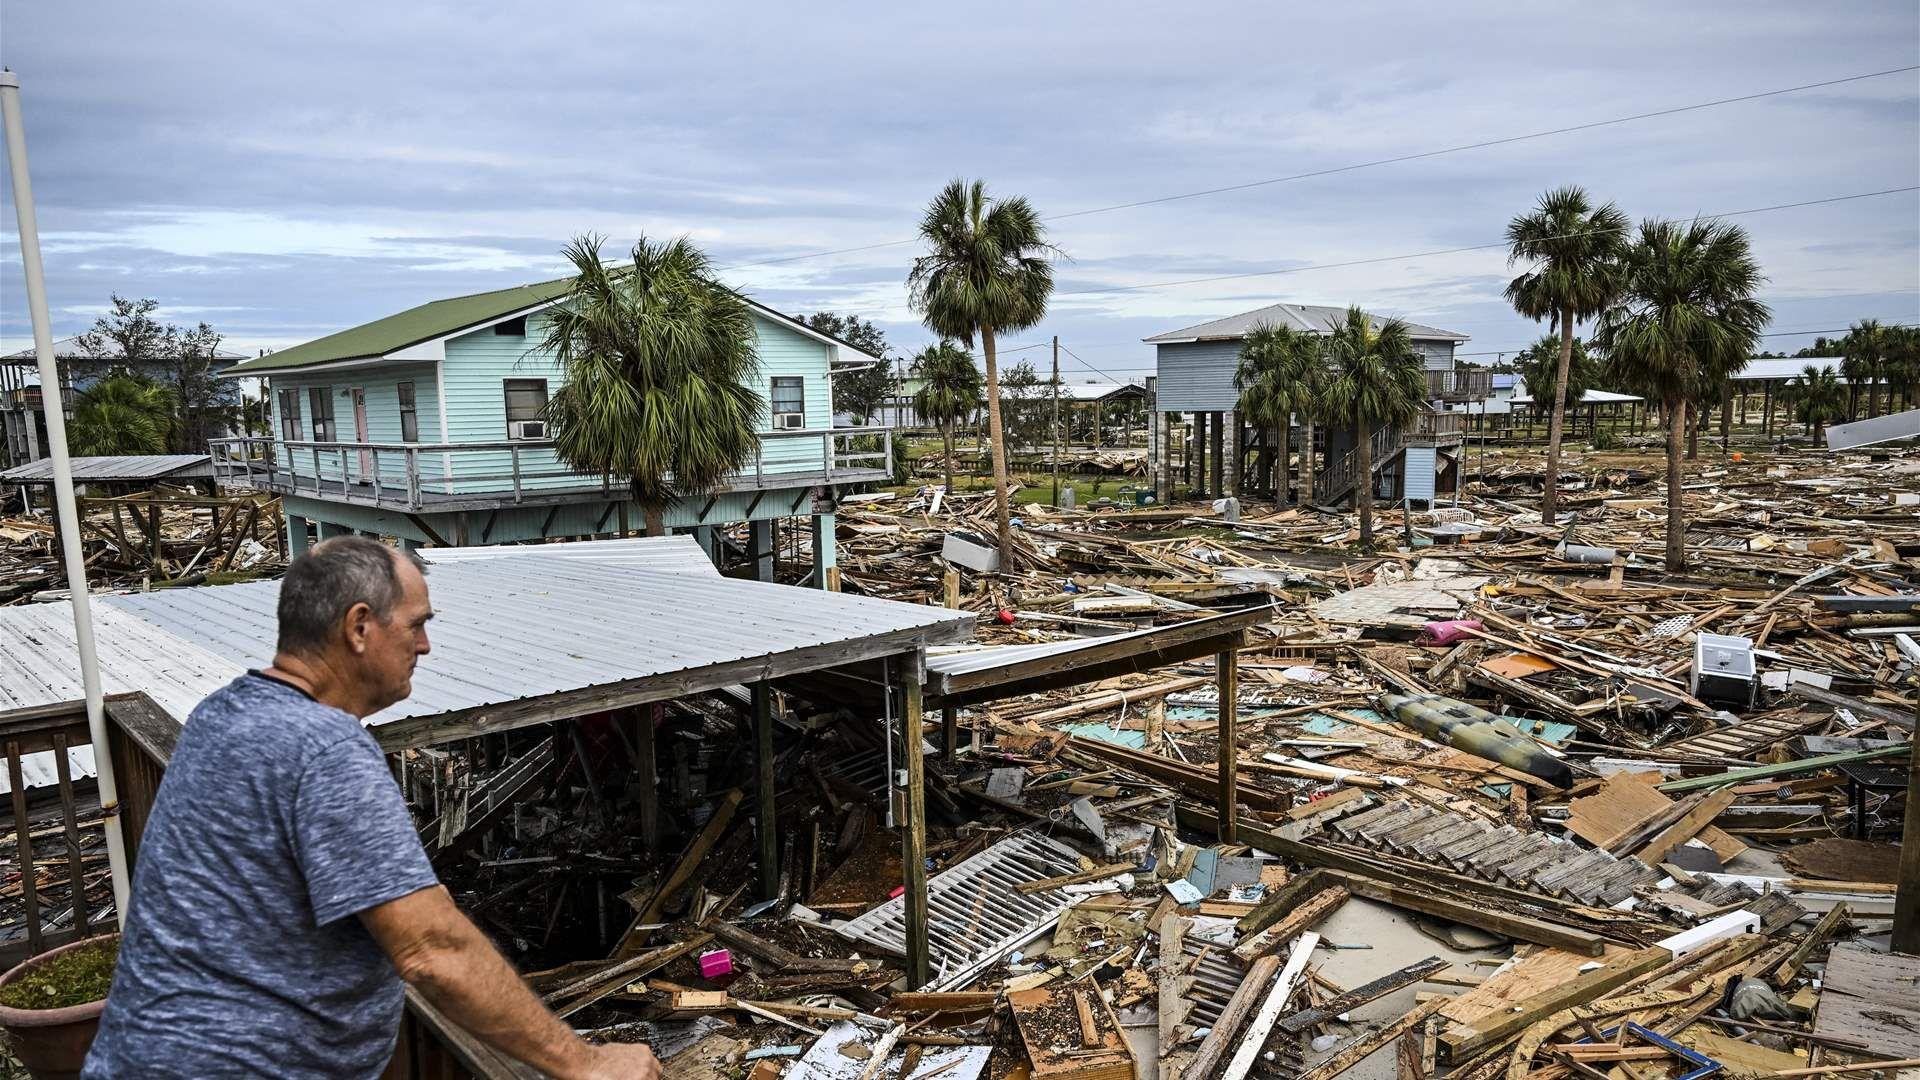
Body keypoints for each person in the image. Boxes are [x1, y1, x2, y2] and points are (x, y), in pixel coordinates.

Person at [85, 536, 659, 1079]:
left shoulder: (222, 713)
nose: (425, 645)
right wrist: (583, 1063)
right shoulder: (325, 750)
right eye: (416, 625)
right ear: (359, 627)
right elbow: (430, 949)